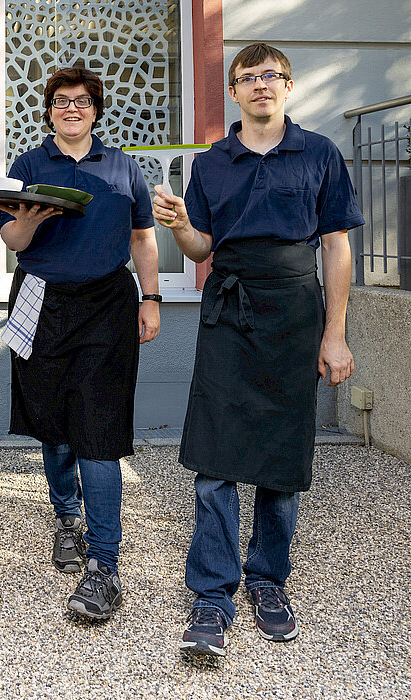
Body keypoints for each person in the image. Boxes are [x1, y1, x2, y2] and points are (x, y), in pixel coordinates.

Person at [153, 43, 365, 657]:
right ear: (235, 91)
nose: (260, 86)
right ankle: (213, 596)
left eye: (270, 76)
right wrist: (178, 226)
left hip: (297, 310)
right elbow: (199, 249)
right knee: (215, 457)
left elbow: (337, 248)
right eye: (248, 78)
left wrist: (335, 331)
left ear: (288, 86)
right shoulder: (213, 162)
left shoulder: (320, 153)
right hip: (229, 307)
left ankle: (268, 580)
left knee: (283, 451)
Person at [0, 66, 160, 621]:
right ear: (48, 110)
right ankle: (65, 515)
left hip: (108, 304)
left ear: (96, 110)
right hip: (39, 298)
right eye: (61, 101)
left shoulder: (123, 168)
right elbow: (12, 240)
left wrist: (152, 297)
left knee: (99, 428)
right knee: (52, 421)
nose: (72, 108)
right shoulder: (28, 166)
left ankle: (104, 562)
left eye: (83, 101)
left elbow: (142, 236)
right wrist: (32, 218)